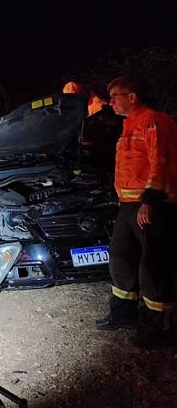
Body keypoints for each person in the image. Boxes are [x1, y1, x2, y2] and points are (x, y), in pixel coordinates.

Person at [95, 76, 177, 348]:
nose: (110, 102)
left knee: (153, 264)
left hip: (154, 204)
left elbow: (161, 161)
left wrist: (150, 201)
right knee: (121, 256)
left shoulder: (154, 120)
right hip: (129, 205)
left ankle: (159, 326)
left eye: (115, 95)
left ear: (132, 97)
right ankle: (124, 313)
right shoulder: (127, 125)